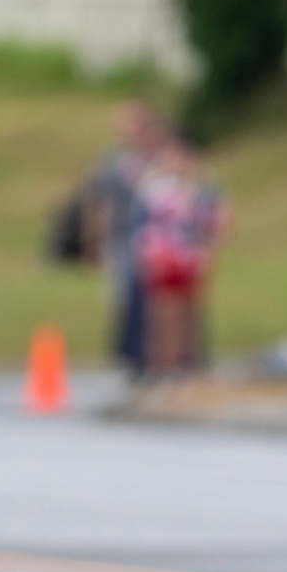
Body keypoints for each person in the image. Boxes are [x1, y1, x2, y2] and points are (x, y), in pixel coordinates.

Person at [81, 102, 167, 375]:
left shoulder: (159, 158)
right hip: (123, 236)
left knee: (158, 298)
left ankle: (160, 355)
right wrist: (95, 240)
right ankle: (133, 357)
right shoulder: (114, 162)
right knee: (125, 297)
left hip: (157, 238)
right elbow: (101, 202)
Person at [135, 132, 226, 376]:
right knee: (164, 314)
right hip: (163, 256)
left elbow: (212, 224)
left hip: (190, 257)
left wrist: (208, 254)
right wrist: (148, 256)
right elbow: (147, 226)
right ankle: (162, 365)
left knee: (189, 313)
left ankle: (186, 363)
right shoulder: (155, 190)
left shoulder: (200, 190)